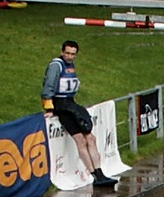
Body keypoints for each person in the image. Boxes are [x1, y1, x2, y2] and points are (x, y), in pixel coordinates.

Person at [41, 41, 118, 187]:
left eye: (73, 54)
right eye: (67, 53)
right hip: (61, 106)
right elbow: (49, 86)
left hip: (71, 104)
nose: (69, 57)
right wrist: (49, 109)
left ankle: (100, 173)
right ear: (62, 52)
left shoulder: (70, 66)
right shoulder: (56, 65)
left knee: (91, 138)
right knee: (81, 140)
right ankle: (95, 176)